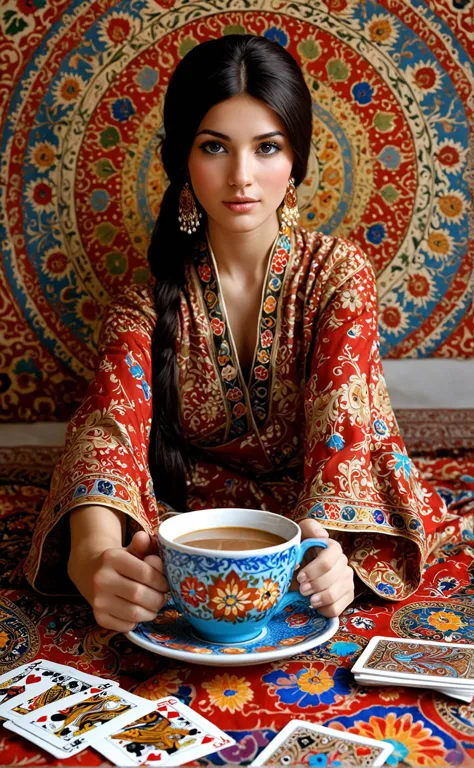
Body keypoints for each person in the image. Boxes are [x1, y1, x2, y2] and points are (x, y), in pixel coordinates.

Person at [25, 34, 447, 633]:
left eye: (267, 147)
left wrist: (325, 553)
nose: (242, 176)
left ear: (295, 158)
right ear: (183, 161)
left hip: (315, 527)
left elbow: (344, 429)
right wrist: (93, 558)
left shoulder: (336, 275)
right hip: (193, 524)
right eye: (215, 147)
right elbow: (106, 431)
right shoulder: (145, 302)